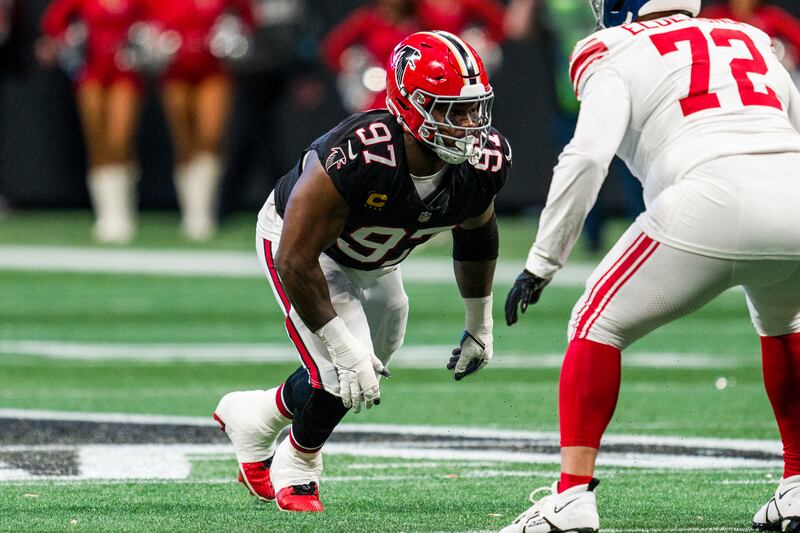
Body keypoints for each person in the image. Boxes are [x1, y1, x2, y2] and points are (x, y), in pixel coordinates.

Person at [502, 0, 800, 531]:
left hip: (709, 194)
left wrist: (543, 260)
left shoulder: (611, 47)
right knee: (787, 325)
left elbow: (587, 156)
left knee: (596, 322)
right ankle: (798, 482)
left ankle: (571, 498)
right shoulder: (747, 37)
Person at [213, 30, 510, 512]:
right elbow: (295, 257)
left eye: (474, 108)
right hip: (303, 249)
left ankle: (258, 415)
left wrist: (480, 324)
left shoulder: (484, 160)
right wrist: (338, 340)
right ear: (410, 106)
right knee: (342, 366)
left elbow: (476, 234)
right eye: (451, 110)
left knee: (372, 357)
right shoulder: (359, 155)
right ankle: (299, 462)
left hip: (375, 261)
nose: (468, 124)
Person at [38, 0, 149, 243]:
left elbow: (157, 18)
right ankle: (106, 213)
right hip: (91, 70)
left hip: (125, 70)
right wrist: (69, 40)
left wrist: (145, 42)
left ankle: (123, 209)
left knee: (119, 139)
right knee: (97, 142)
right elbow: (53, 21)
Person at [151, 0, 255, 241]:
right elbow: (141, 17)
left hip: (214, 69)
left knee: (211, 137)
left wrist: (235, 35)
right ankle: (192, 212)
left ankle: (204, 211)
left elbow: (247, 15)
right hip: (174, 71)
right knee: (184, 141)